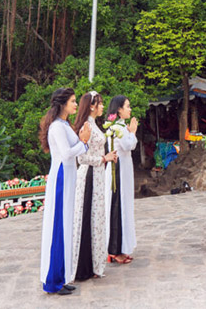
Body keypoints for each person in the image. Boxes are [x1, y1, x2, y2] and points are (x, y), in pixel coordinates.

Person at [38, 88, 91, 295]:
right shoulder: (57, 128)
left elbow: (75, 148)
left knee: (66, 227)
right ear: (62, 104)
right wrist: (84, 143)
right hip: (61, 179)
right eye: (72, 101)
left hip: (68, 178)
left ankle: (61, 277)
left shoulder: (65, 125)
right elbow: (67, 154)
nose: (76, 105)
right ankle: (53, 281)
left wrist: (82, 141)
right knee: (58, 228)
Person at [70, 91, 117, 282]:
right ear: (91, 106)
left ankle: (92, 264)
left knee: (95, 217)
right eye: (100, 103)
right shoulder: (86, 126)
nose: (103, 107)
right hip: (89, 174)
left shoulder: (94, 125)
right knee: (87, 217)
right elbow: (81, 157)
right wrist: (104, 158)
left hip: (97, 175)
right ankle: (83, 266)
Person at [104, 95, 139, 264]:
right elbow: (128, 145)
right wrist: (132, 133)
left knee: (124, 206)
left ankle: (122, 247)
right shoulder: (117, 127)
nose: (130, 109)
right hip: (117, 170)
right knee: (117, 206)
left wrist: (130, 133)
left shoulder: (119, 126)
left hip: (124, 168)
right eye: (127, 106)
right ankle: (115, 249)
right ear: (119, 110)